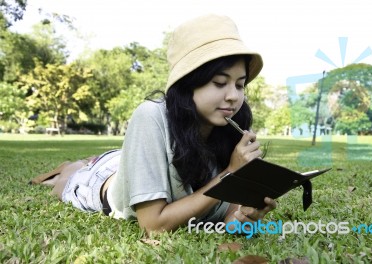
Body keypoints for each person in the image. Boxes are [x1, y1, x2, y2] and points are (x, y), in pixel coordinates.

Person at [30, 14, 277, 234]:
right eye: (220, 83)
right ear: (190, 82)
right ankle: (73, 167)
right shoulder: (151, 115)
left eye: (240, 84)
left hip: (135, 164)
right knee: (65, 182)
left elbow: (227, 220)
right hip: (102, 183)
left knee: (117, 160)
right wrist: (229, 174)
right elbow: (153, 225)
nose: (234, 96)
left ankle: (93, 160)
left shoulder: (234, 128)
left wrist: (246, 216)